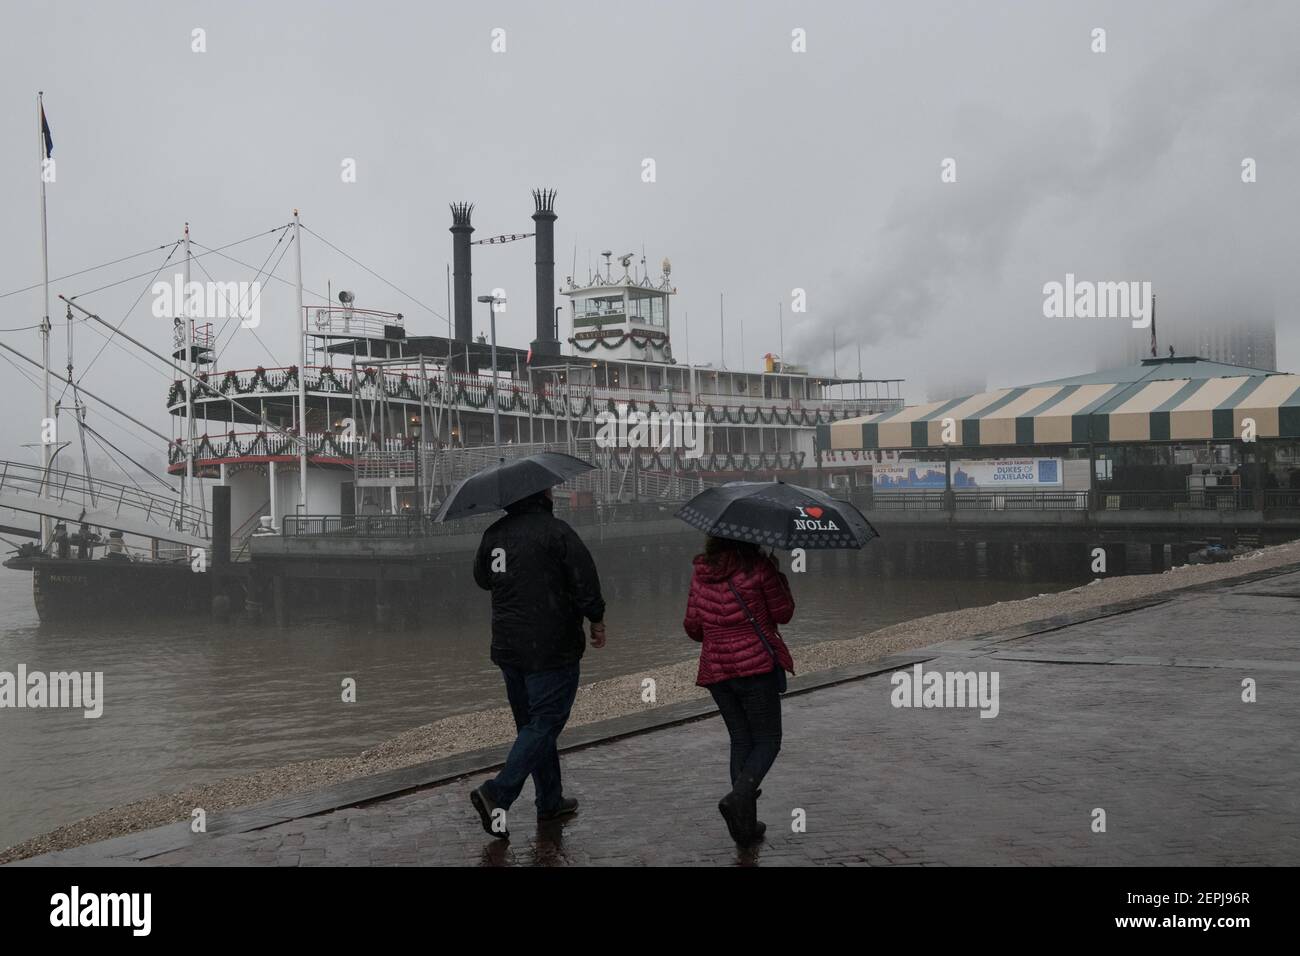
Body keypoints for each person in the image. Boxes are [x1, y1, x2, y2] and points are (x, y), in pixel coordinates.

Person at [469, 487, 606, 839]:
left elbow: (483, 579)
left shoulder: (494, 535)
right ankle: (497, 792)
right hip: (552, 646)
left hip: (509, 647)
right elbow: (584, 579)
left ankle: (550, 801)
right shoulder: (557, 532)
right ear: (542, 495)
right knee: (545, 723)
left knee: (532, 726)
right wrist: (596, 617)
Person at [683, 535, 795, 845]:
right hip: (755, 667)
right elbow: (783, 613)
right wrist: (778, 575)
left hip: (717, 670)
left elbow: (693, 627)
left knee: (741, 740)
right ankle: (739, 798)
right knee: (768, 740)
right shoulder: (759, 568)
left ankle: (745, 827)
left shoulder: (701, 572)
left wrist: (720, 631)